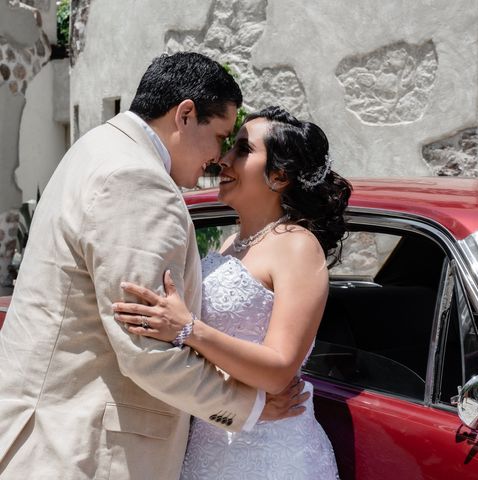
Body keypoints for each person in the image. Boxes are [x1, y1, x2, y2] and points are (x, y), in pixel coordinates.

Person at [0, 53, 305, 480]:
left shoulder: (96, 147)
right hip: (81, 450)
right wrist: (249, 407)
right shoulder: (138, 180)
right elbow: (147, 351)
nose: (218, 158)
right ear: (185, 115)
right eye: (220, 136)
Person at [112, 105, 352, 479]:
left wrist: (188, 328)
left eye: (242, 150)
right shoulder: (227, 244)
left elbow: (277, 371)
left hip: (273, 453)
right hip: (212, 438)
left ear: (279, 175)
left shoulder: (297, 246)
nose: (223, 159)